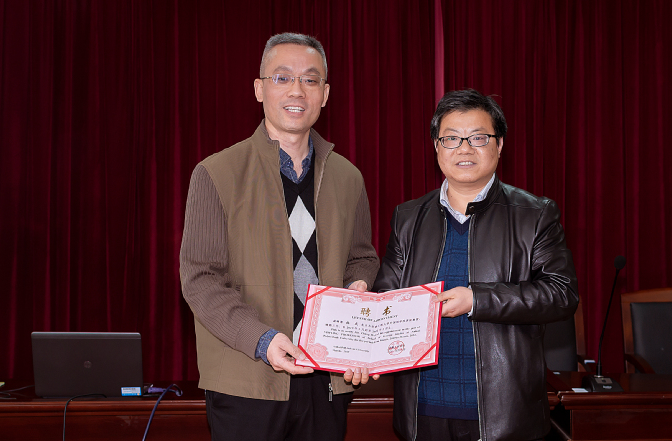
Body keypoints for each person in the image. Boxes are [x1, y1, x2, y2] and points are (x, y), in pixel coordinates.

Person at [180, 33, 380, 441]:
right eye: (282, 77)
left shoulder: (348, 177)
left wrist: (358, 286)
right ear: (259, 89)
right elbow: (200, 280)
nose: (296, 90)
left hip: (326, 380)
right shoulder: (216, 173)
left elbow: (362, 257)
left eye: (310, 80)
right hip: (247, 378)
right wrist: (262, 340)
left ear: (325, 94)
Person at [373, 89, 579, 441]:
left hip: (505, 414)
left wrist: (477, 299)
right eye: (451, 138)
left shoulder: (534, 214)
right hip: (422, 411)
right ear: (437, 146)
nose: (464, 148)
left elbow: (561, 295)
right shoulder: (408, 217)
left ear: (499, 145)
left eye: (478, 138)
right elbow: (386, 298)